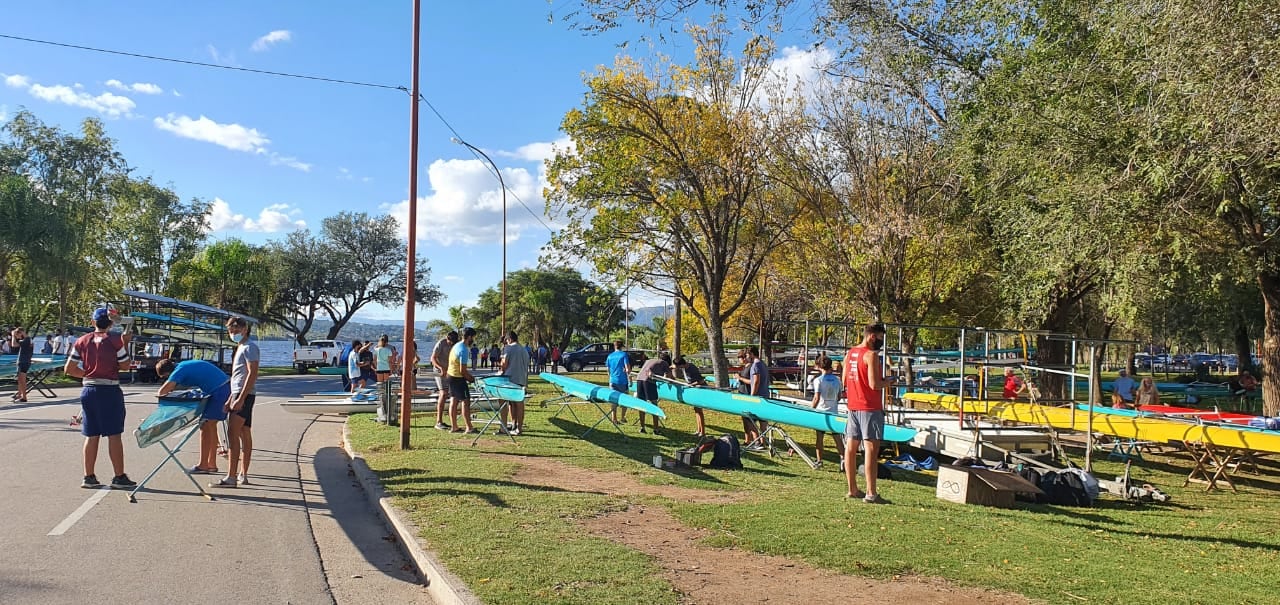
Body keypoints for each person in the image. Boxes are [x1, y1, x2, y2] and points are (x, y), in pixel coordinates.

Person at [64, 307, 135, 489]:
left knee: (91, 433)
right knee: (114, 434)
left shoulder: (81, 341)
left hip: (89, 388)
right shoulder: (115, 341)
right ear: (111, 323)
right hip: (109, 389)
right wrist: (125, 343)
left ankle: (88, 476)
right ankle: (119, 476)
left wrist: (88, 374)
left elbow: (69, 369)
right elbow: (126, 365)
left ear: (92, 322)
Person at [842, 323, 896, 504]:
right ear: (873, 336)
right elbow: (874, 385)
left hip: (853, 406)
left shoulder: (850, 353)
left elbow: (844, 380)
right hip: (870, 407)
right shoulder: (870, 355)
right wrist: (888, 381)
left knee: (851, 447)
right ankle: (871, 493)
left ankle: (852, 489)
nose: (881, 342)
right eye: (881, 337)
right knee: (871, 449)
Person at [155, 358, 230, 474]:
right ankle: (211, 464)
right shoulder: (183, 365)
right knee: (211, 426)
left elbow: (163, 391)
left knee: (205, 426)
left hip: (219, 391)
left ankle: (203, 465)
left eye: (165, 376)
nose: (166, 379)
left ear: (168, 372)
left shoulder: (179, 370)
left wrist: (162, 410)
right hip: (222, 387)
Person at [212, 316, 259, 487]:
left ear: (245, 329)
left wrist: (240, 398)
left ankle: (231, 477)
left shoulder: (249, 347)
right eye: (231, 331)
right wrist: (231, 397)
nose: (233, 334)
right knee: (244, 432)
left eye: (236, 331)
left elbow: (252, 373)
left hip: (244, 395)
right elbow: (238, 376)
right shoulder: (240, 347)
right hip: (238, 393)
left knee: (233, 434)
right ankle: (242, 474)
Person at [809, 355, 846, 467]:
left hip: (821, 412)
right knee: (837, 438)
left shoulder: (818, 380)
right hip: (833, 412)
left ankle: (819, 460)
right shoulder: (837, 380)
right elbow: (839, 397)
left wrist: (811, 410)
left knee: (819, 437)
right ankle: (843, 460)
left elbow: (816, 397)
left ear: (820, 366)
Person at [499, 330, 531, 435]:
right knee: (518, 403)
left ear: (509, 339)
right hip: (521, 379)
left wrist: (500, 371)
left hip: (510, 379)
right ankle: (517, 427)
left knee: (504, 401)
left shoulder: (508, 348)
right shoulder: (524, 350)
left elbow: (504, 364)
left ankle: (505, 426)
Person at [447, 327, 478, 433]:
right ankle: (469, 427)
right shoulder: (463, 349)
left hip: (450, 376)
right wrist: (471, 379)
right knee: (465, 402)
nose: (473, 340)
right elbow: (462, 370)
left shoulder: (456, 345)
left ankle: (454, 426)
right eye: (473, 337)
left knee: (454, 400)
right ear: (469, 337)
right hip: (458, 378)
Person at [634, 352, 671, 434]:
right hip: (649, 381)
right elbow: (669, 376)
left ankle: (642, 427)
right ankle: (656, 429)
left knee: (641, 404)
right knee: (654, 404)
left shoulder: (649, 360)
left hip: (639, 380)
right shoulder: (664, 363)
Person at [742, 346, 770, 449]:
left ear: (752, 354)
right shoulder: (763, 364)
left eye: (748, 355)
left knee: (750, 420)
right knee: (763, 421)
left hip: (757, 397)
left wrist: (752, 396)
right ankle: (762, 443)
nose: (747, 357)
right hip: (765, 395)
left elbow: (756, 381)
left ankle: (758, 442)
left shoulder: (755, 365)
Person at [430, 331, 459, 430]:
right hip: (439, 370)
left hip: (450, 370)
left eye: (453, 342)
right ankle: (438, 421)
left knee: (452, 393)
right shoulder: (441, 343)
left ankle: (451, 421)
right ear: (447, 338)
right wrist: (441, 367)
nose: (451, 344)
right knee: (443, 393)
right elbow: (433, 358)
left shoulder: (455, 345)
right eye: (450, 342)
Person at [673, 356, 708, 436]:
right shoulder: (684, 367)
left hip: (700, 390)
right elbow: (673, 366)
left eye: (678, 366)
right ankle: (698, 430)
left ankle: (702, 432)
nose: (677, 368)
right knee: (696, 410)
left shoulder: (692, 368)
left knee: (699, 411)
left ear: (681, 365)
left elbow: (701, 380)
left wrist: (690, 385)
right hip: (693, 390)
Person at [605, 340, 632, 424]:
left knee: (613, 400)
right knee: (624, 399)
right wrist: (629, 376)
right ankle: (623, 417)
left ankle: (614, 419)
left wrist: (612, 377)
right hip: (622, 381)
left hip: (612, 380)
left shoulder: (609, 356)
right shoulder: (624, 355)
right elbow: (627, 369)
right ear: (621, 346)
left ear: (614, 346)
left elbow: (608, 370)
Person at [9, 327, 34, 402]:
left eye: (18, 335)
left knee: (22, 380)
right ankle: (19, 394)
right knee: (20, 379)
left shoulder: (26, 340)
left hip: (23, 362)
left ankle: (24, 397)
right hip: (24, 361)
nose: (17, 337)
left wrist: (13, 335)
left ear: (21, 332)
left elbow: (13, 345)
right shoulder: (28, 340)